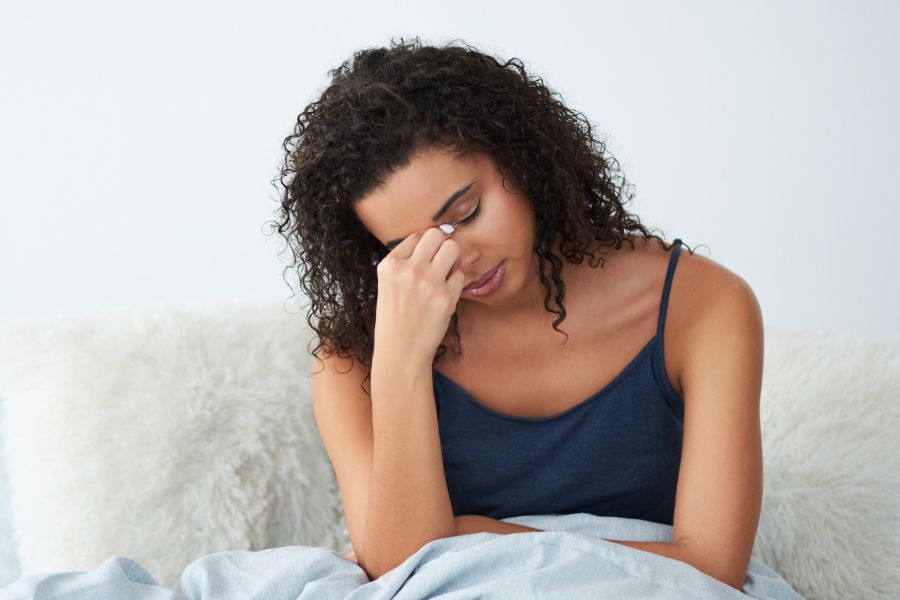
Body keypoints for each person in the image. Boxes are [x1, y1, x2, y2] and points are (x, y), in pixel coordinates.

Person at [271, 37, 764, 589]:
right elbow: (394, 570)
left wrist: (472, 534)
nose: (456, 258)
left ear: (520, 157)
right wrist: (401, 363)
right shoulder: (355, 360)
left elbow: (716, 569)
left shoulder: (702, 306)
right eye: (409, 250)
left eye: (466, 213)